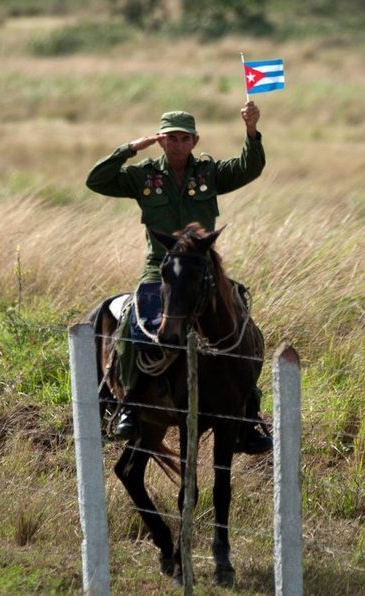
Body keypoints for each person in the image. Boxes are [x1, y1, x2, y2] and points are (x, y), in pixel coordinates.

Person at [86, 102, 270, 453]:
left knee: (242, 327)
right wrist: (129, 148)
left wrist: (251, 129)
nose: (178, 144)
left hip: (202, 269)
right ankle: (129, 405)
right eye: (170, 138)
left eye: (185, 138)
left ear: (195, 140)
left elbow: (250, 167)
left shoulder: (209, 173)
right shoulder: (143, 176)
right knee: (133, 323)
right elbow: (97, 180)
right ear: (160, 141)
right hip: (161, 269)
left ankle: (248, 412)